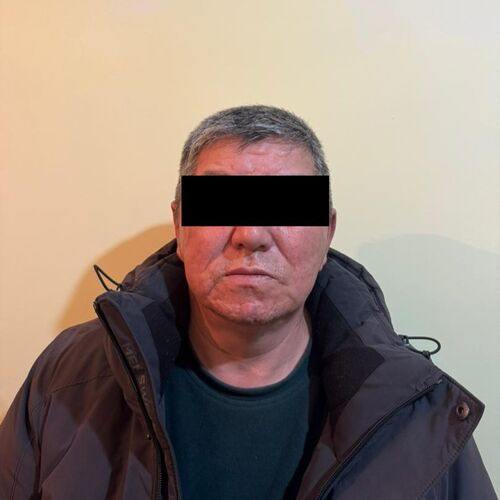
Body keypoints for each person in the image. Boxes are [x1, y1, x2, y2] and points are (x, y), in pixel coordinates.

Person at [0, 105, 496, 500]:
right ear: (179, 224)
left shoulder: (415, 409)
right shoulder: (68, 377)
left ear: (327, 231)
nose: (251, 235)